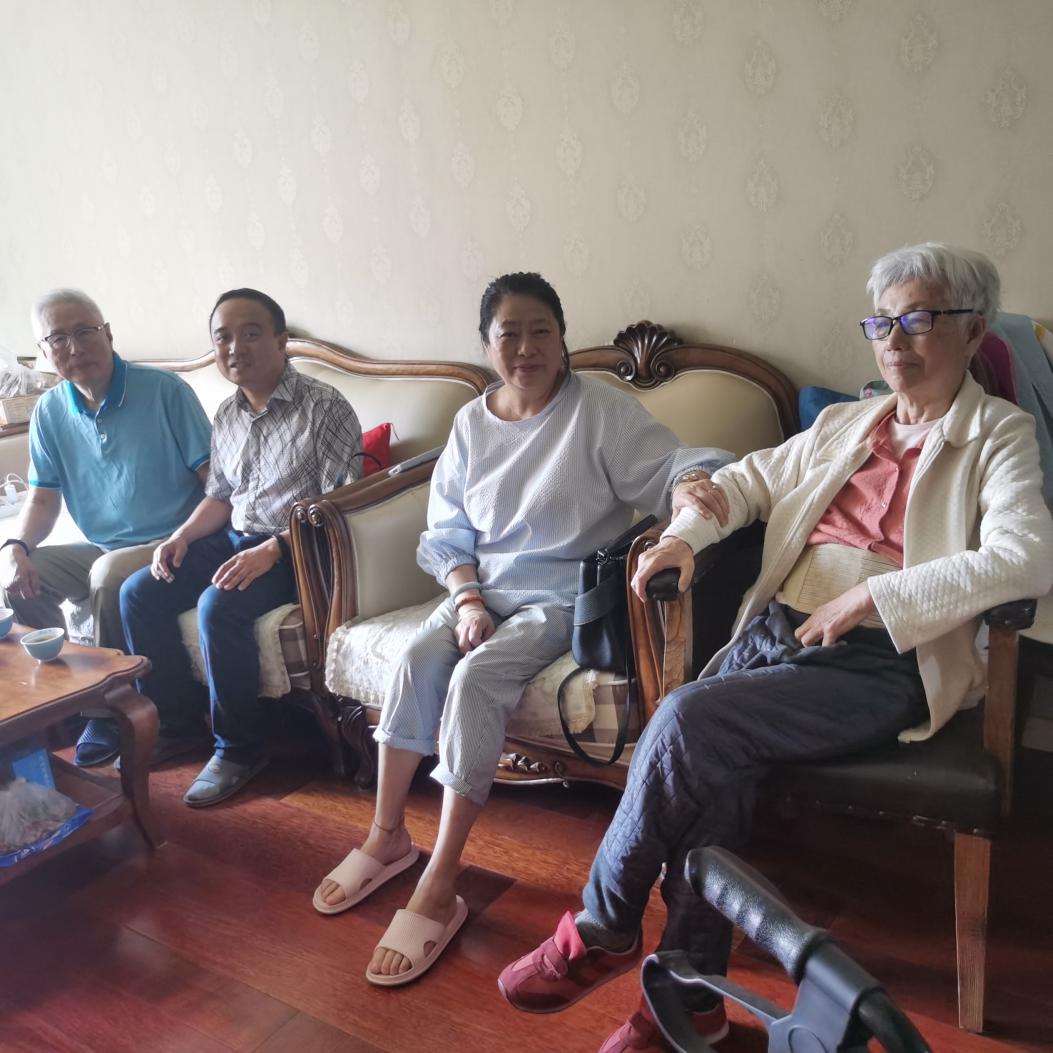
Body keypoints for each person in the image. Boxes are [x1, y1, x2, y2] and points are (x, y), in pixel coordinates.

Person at [497, 243, 1053, 1053]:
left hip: (878, 659)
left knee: (684, 721)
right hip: (777, 632)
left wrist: (877, 595)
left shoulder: (997, 434)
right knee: (711, 769)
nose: (892, 340)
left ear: (972, 331)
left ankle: (602, 925)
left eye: (916, 320)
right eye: (880, 322)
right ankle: (690, 1009)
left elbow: (1025, 557)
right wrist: (683, 536)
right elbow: (745, 481)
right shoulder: (846, 422)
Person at [313, 271, 733, 988]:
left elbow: (673, 463)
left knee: (477, 679)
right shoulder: (471, 423)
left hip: (557, 596)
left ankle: (442, 879)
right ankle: (387, 837)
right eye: (509, 334)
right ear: (487, 345)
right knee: (417, 658)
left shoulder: (598, 411)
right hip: (477, 588)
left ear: (563, 339)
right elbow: (447, 530)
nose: (527, 347)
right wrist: (466, 599)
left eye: (542, 331)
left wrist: (694, 482)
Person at [119, 288, 362, 806]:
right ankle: (178, 726)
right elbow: (221, 496)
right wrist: (181, 537)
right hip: (236, 538)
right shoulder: (227, 413)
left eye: (250, 333)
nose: (235, 348)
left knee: (219, 604)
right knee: (139, 592)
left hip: (301, 550)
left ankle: (239, 749)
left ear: (281, 340)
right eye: (223, 337)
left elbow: (341, 506)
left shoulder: (324, 406)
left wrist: (274, 549)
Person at [0, 289, 211, 766]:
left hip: (175, 541)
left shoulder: (164, 391)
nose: (75, 347)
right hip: (101, 546)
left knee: (108, 574)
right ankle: (61, 700)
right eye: (58, 338)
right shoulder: (49, 411)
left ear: (109, 334)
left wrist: (194, 534)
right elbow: (43, 498)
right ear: (43, 351)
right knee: (23, 575)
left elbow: (214, 481)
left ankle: (105, 709)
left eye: (85, 331)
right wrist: (15, 546)